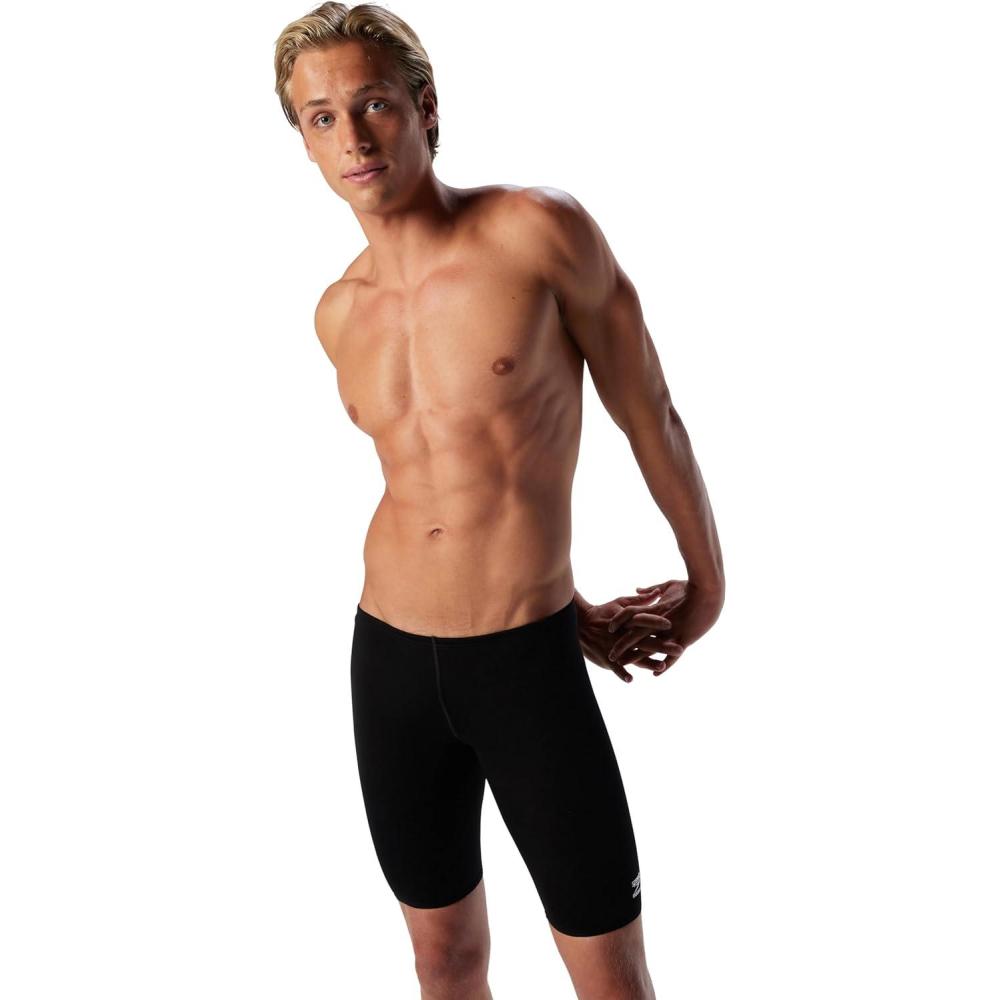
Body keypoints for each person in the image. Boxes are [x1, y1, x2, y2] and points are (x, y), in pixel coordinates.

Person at [274, 4, 725, 997]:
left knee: (609, 973)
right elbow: (445, 477)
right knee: (444, 961)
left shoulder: (537, 231)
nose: (352, 138)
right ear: (302, 142)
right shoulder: (338, 313)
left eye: (373, 104)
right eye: (320, 118)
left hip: (523, 664)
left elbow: (650, 412)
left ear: (424, 107)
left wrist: (707, 584)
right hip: (388, 658)